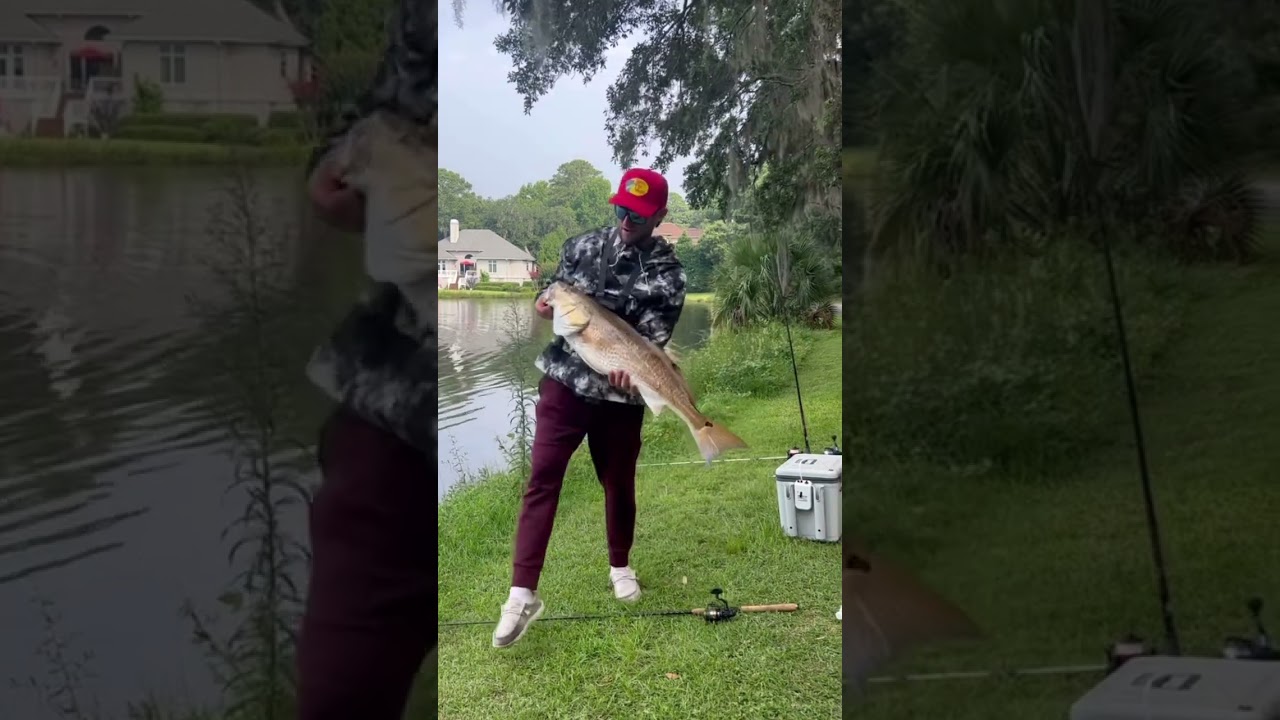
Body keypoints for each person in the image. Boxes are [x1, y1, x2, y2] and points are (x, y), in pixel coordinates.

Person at [295, 2, 437, 719]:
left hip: (534, 434)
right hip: (395, 423)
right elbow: (367, 128)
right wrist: (333, 174)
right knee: (340, 693)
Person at [492, 168, 688, 649]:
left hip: (620, 399)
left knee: (618, 485)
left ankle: (620, 566)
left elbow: (651, 345)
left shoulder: (669, 275)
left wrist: (630, 373)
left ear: (659, 216)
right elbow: (552, 293)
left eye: (637, 216)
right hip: (564, 385)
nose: (626, 220)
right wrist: (543, 305)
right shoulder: (580, 246)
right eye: (621, 209)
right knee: (542, 480)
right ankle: (521, 595)